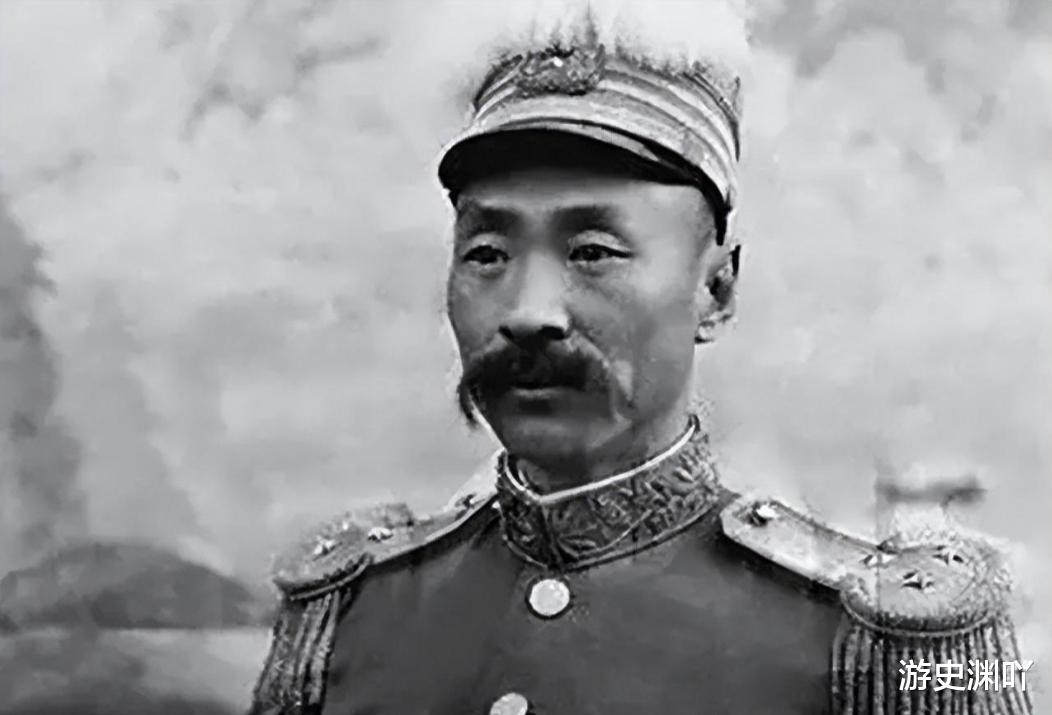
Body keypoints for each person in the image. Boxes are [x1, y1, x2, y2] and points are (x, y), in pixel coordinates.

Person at [249, 2, 1034, 713]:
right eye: (486, 254)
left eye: (592, 250)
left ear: (716, 290)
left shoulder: (880, 641)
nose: (528, 312)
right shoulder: (352, 617)